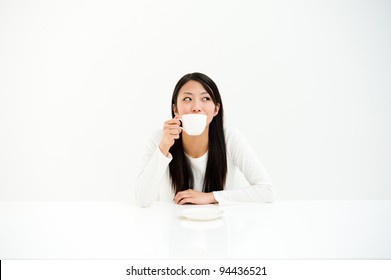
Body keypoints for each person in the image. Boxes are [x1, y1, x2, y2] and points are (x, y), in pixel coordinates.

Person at [135, 72, 274, 207]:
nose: (196, 107)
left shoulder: (230, 139)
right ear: (175, 109)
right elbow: (142, 200)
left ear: (216, 109)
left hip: (219, 226)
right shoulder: (158, 139)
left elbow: (266, 190)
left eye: (206, 99)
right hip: (172, 226)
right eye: (187, 99)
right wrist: (164, 147)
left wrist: (209, 197)